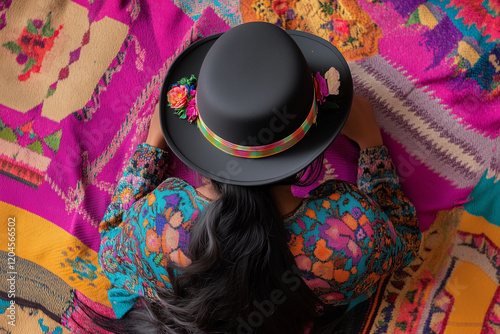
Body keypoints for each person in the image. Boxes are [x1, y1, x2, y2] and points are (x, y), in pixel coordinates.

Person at [90, 22, 420, 333]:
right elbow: (403, 239)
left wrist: (151, 149)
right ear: (314, 139)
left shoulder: (159, 220)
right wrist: (372, 148)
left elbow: (110, 252)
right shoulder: (353, 237)